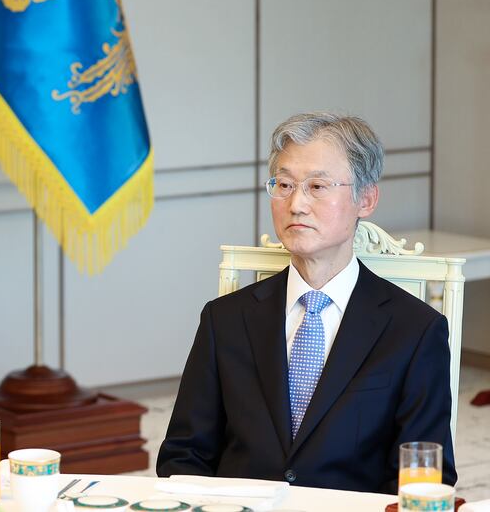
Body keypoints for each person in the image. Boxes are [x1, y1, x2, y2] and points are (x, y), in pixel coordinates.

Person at [156, 112, 456, 494]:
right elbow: (183, 457)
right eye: (284, 185)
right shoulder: (224, 319)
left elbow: (426, 478)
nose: (296, 204)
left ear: (366, 199)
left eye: (317, 186)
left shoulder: (415, 330)